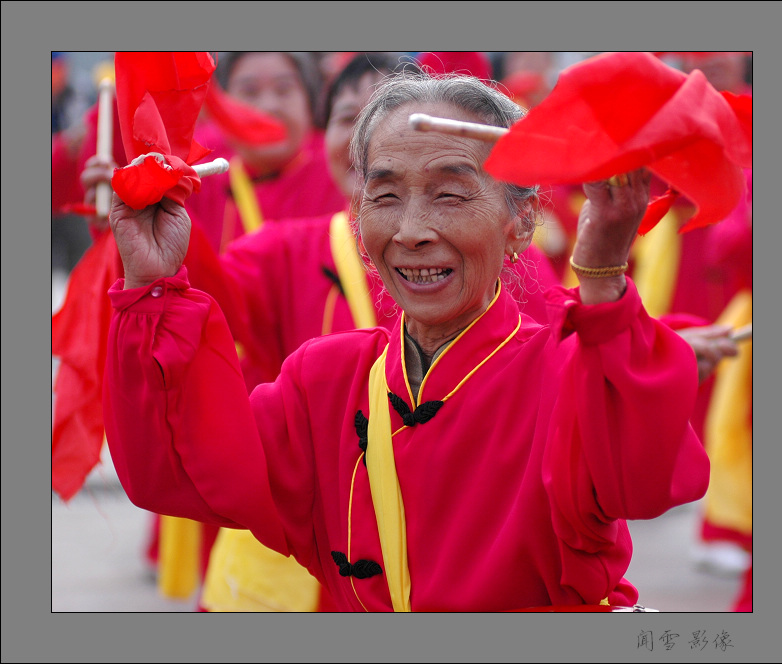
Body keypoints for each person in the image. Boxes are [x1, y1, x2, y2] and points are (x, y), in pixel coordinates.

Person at [102, 72, 709, 611]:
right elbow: (176, 470)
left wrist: (604, 276)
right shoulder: (324, 381)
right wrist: (150, 283)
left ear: (520, 220)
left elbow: (646, 481)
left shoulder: (563, 371)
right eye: (386, 196)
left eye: (450, 193)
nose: (412, 230)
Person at [187, 51, 346, 253]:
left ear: (309, 101)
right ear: (220, 109)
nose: (269, 106)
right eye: (250, 92)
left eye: (283, 89)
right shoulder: (195, 187)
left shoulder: (345, 169)